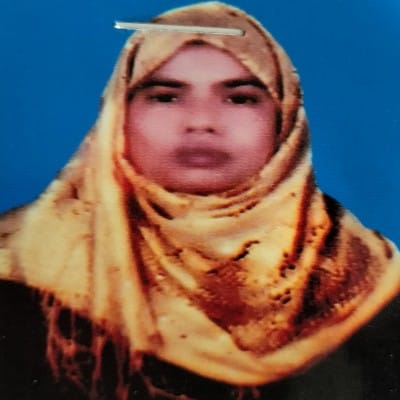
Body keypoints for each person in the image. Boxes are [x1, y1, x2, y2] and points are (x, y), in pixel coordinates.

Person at [0, 2, 399, 399]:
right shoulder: (21, 268)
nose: (201, 122)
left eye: (240, 98)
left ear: (285, 116)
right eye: (165, 97)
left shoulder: (368, 280)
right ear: (117, 116)